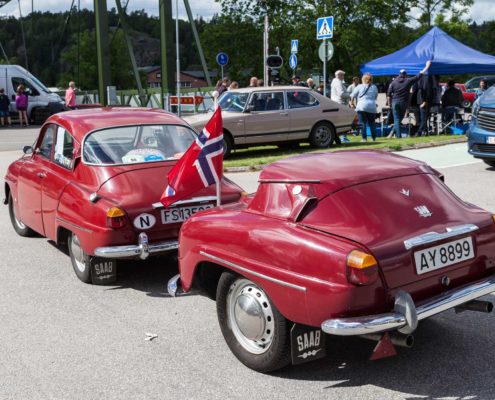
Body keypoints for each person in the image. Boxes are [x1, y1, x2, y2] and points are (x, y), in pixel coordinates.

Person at [386, 60, 432, 138]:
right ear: (405, 75)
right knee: (399, 119)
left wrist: (389, 103)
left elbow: (388, 94)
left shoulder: (393, 83)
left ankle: (395, 134)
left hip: (395, 102)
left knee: (397, 119)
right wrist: (427, 66)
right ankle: (397, 136)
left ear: (399, 74)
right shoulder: (408, 81)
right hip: (403, 103)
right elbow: (420, 75)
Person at [350, 73, 378, 142]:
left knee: (362, 123)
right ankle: (373, 138)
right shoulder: (374, 87)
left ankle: (364, 138)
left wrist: (351, 103)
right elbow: (375, 97)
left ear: (363, 79)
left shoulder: (359, 86)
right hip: (372, 106)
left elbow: (352, 95)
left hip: (361, 106)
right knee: (372, 123)